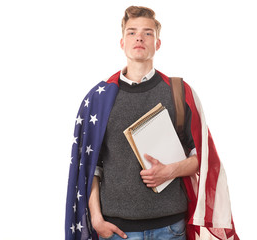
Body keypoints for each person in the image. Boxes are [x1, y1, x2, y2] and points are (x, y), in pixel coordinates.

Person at [66, 6, 239, 240]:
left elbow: (203, 157)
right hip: (117, 230)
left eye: (147, 32)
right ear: (122, 42)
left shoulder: (179, 92)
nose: (139, 37)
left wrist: (169, 171)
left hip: (170, 228)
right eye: (132, 32)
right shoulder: (99, 98)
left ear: (157, 43)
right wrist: (96, 220)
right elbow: (91, 167)